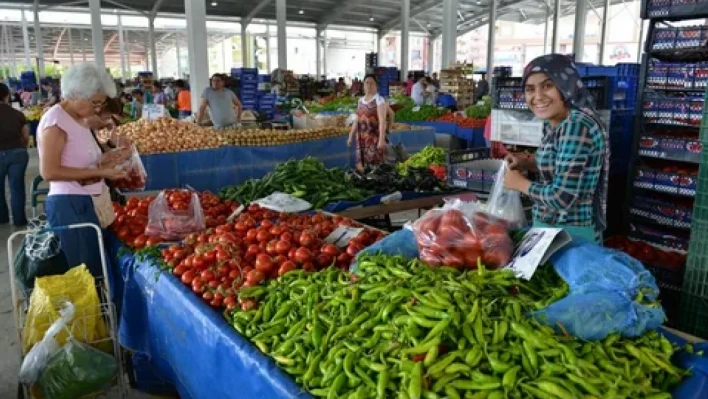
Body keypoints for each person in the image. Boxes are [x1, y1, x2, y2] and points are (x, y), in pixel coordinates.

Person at [503, 54, 609, 243]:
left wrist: (520, 184)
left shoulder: (575, 126)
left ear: (565, 87)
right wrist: (527, 163)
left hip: (571, 235)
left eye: (547, 86)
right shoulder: (555, 122)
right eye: (530, 89)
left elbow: (563, 197)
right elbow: (565, 167)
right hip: (554, 229)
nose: (538, 97)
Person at [37, 63, 130, 276]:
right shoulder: (55, 122)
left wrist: (109, 159)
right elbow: (49, 172)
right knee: (86, 272)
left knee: (97, 268)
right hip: (70, 204)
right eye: (95, 103)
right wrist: (101, 173)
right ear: (76, 94)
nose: (97, 110)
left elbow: (81, 162)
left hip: (86, 201)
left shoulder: (78, 119)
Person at [0, 83, 30, 227]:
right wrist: (21, 147)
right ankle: (19, 220)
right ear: (6, 96)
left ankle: (2, 218)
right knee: (16, 187)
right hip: (17, 153)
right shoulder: (17, 114)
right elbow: (25, 136)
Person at [347, 74, 390, 169]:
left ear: (376, 86)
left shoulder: (379, 100)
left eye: (372, 83)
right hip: (361, 137)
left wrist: (381, 140)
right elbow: (357, 119)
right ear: (363, 85)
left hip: (374, 137)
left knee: (374, 164)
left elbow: (382, 121)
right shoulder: (360, 101)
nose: (369, 85)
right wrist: (351, 135)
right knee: (361, 163)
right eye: (367, 83)